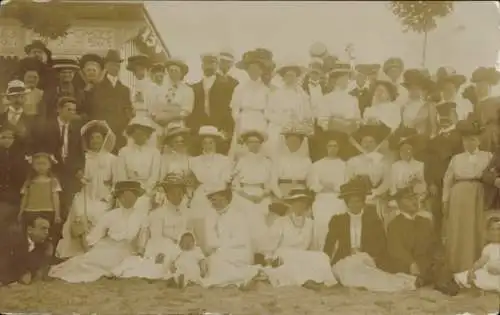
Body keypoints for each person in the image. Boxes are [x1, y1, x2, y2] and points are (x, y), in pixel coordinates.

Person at [324, 178, 416, 292]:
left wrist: (370, 256)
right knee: (349, 271)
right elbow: (329, 245)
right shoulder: (337, 220)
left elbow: (381, 244)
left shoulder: (373, 220)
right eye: (351, 202)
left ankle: (394, 284)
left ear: (363, 203)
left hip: (367, 259)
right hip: (344, 260)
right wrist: (325, 264)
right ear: (347, 203)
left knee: (370, 274)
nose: (354, 205)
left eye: (358, 201)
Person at [48, 181, 149, 283]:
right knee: (89, 262)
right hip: (108, 246)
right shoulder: (111, 215)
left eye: (133, 196)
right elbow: (96, 234)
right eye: (125, 196)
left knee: (115, 264)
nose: (129, 199)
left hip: (126, 249)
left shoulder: (141, 216)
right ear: (120, 197)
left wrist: (141, 249)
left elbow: (143, 235)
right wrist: (88, 241)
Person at [112, 173, 191, 280]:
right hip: (164, 248)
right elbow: (156, 238)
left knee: (189, 261)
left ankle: (179, 276)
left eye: (180, 193)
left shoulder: (187, 213)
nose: (178, 197)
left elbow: (189, 234)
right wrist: (161, 252)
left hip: (182, 248)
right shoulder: (158, 214)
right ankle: (129, 267)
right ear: (167, 194)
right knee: (157, 268)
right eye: (173, 193)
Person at [56, 120, 116, 258]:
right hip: (87, 193)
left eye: (98, 138)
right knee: (81, 210)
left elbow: (115, 181)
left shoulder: (112, 159)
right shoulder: (85, 158)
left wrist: (109, 195)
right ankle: (84, 247)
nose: (95, 141)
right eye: (92, 138)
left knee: (100, 212)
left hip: (104, 195)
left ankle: (98, 248)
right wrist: (81, 178)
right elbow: (77, 175)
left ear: (104, 140)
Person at [386, 187, 459, 295]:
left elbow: (435, 243)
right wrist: (410, 263)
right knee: (402, 273)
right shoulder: (394, 224)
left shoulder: (425, 222)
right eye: (409, 199)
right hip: (408, 264)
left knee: (441, 266)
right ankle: (423, 280)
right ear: (399, 203)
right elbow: (396, 249)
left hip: (425, 262)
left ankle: (438, 280)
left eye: (415, 198)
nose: (414, 201)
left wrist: (439, 256)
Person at [262, 188, 337, 290]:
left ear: (306, 205)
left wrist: (313, 256)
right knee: (295, 258)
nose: (300, 206)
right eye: (296, 203)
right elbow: (270, 245)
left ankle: (321, 281)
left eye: (303, 203)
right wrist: (269, 262)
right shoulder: (281, 222)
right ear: (291, 204)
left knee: (322, 256)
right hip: (283, 254)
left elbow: (314, 246)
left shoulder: (311, 223)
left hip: (302, 254)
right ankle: (306, 282)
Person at [442, 120, 492, 273]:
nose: (469, 143)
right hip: (459, 195)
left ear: (479, 141)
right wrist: (445, 200)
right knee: (459, 228)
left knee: (477, 228)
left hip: (479, 193)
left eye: (472, 140)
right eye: (465, 140)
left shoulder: (488, 156)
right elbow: (447, 181)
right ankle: (458, 266)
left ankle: (476, 267)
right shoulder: (456, 158)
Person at [34, 96, 85, 224]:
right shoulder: (47, 127)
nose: (72, 113)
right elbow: (41, 147)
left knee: (68, 204)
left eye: (74, 110)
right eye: (69, 109)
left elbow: (79, 151)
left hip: (70, 171)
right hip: (52, 170)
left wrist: (79, 168)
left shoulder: (76, 127)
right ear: (59, 110)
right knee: (52, 204)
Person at [201, 183, 260, 288]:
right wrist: (218, 248)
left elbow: (241, 241)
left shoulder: (238, 216)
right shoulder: (210, 217)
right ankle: (243, 279)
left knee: (218, 262)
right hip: (220, 253)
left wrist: (220, 248)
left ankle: (243, 277)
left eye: (214, 199)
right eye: (210, 200)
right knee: (215, 263)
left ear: (224, 198)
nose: (211, 203)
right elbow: (210, 243)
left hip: (238, 253)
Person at [232, 129, 273, 251]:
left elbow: (270, 182)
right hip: (243, 195)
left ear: (261, 144)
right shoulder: (241, 161)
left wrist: (263, 195)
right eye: (251, 142)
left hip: (261, 196)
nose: (254, 145)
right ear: (246, 144)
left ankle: (261, 253)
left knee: (261, 226)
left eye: (257, 142)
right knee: (245, 225)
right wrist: (246, 195)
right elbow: (235, 182)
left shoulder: (267, 162)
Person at [187, 53, 236, 154]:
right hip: (200, 131)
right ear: (202, 66)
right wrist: (194, 129)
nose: (209, 66)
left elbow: (231, 108)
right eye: (206, 63)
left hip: (221, 130)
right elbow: (192, 111)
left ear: (217, 65)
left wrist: (227, 130)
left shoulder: (229, 85)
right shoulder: (194, 88)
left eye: (212, 63)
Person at [86, 50, 133, 153]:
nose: (116, 68)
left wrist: (125, 127)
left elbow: (128, 110)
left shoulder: (125, 89)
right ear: (106, 66)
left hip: (120, 132)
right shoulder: (97, 87)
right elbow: (94, 109)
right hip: (103, 131)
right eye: (113, 65)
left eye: (118, 65)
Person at [307, 132, 347, 250]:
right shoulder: (317, 165)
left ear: (339, 148)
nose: (332, 148)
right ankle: (320, 251)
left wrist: (334, 187)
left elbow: (347, 183)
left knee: (336, 226)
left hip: (338, 199)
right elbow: (311, 184)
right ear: (326, 147)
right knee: (321, 225)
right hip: (321, 199)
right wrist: (322, 187)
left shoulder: (344, 165)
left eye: (335, 146)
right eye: (330, 146)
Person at [266, 59, 313, 158]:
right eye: (287, 75)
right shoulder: (276, 94)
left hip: (297, 129)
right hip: (279, 128)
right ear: (283, 77)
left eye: (292, 75)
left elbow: (307, 114)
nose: (290, 78)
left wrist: (299, 122)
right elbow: (268, 113)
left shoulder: (302, 95)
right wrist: (283, 121)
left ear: (297, 77)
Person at [17, 149, 62, 248]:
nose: (41, 167)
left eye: (44, 164)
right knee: (32, 234)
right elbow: (25, 197)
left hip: (48, 211)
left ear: (49, 165)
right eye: (38, 164)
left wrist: (57, 214)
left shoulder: (53, 181)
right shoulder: (29, 181)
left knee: (46, 234)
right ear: (33, 165)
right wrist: (21, 212)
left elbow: (55, 197)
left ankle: (45, 252)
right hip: (31, 211)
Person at [229, 51, 270, 159]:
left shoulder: (266, 90)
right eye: (250, 69)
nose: (253, 71)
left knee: (260, 149)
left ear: (261, 71)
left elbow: (269, 110)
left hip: (260, 121)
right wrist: (238, 126)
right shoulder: (240, 88)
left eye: (256, 69)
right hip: (243, 121)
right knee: (242, 150)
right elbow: (235, 109)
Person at [346, 125, 391, 223]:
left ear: (376, 144)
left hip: (377, 200)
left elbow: (388, 181)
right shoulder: (353, 161)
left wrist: (377, 192)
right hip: (359, 200)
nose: (368, 144)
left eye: (371, 142)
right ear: (360, 143)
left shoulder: (383, 161)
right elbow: (349, 179)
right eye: (365, 141)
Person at [114, 116, 161, 211]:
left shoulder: (154, 152)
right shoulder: (124, 151)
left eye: (144, 132)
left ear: (148, 134)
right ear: (131, 133)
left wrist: (145, 190)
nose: (140, 135)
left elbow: (154, 176)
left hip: (147, 191)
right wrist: (128, 190)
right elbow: (121, 174)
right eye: (137, 131)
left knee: (143, 203)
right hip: (127, 189)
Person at [316, 62, 361, 160]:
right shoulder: (326, 99)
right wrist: (340, 125)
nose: (346, 80)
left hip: (350, 140)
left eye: (347, 78)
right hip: (333, 139)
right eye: (343, 77)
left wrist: (351, 127)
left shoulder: (353, 99)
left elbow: (357, 121)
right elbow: (323, 122)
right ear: (336, 79)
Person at [188, 125, 233, 221]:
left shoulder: (224, 160)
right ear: (201, 144)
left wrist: (214, 194)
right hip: (200, 196)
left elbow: (224, 181)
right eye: (205, 143)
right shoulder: (193, 161)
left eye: (211, 143)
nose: (208, 146)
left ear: (216, 143)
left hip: (218, 196)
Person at [150, 58, 194, 147]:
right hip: (159, 126)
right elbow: (153, 108)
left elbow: (186, 111)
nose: (173, 73)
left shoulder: (187, 90)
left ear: (181, 73)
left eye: (176, 71)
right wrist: (157, 118)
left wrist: (169, 118)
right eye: (171, 70)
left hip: (177, 126)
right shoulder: (159, 89)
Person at [0, 216, 53, 286]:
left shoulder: (44, 246)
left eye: (48, 229)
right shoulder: (13, 243)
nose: (46, 232)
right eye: (43, 228)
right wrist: (22, 274)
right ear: (30, 230)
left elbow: (39, 267)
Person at [455, 215, 500, 292]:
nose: (496, 232)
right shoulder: (489, 248)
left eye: (498, 229)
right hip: (489, 273)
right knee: (474, 274)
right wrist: (472, 271)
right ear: (489, 232)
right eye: (493, 229)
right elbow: (480, 262)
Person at [388, 127, 427, 215]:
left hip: (415, 196)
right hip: (400, 196)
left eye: (408, 150)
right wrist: (397, 196)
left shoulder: (420, 165)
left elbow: (422, 183)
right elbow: (393, 185)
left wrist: (418, 192)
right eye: (403, 151)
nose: (406, 153)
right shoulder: (395, 166)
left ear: (412, 152)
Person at [271, 124, 312, 199]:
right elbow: (273, 182)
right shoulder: (279, 160)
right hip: (283, 191)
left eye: (296, 141)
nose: (293, 144)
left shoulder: (306, 161)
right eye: (291, 141)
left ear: (301, 143)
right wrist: (280, 195)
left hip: (301, 193)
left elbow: (310, 181)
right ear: (286, 142)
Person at [0, 124, 28, 228]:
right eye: (3, 137)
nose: (7, 140)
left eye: (10, 137)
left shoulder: (18, 155)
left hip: (13, 194)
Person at [469, 67, 500, 152]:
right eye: (478, 85)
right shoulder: (477, 104)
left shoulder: (496, 101)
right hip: (479, 136)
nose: (479, 88)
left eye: (482, 85)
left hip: (493, 137)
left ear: (489, 85)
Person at [400, 69, 437, 137]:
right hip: (405, 138)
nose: (413, 91)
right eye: (410, 88)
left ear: (423, 89)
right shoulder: (404, 106)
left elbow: (433, 127)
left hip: (422, 139)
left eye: (416, 88)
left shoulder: (428, 106)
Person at [0, 80, 36, 150]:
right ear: (8, 98)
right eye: (14, 96)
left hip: (22, 158)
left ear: (25, 99)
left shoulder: (32, 120)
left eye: (21, 96)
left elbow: (34, 143)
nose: (18, 100)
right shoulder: (0, 118)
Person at [127, 54, 155, 118]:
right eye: (133, 71)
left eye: (135, 70)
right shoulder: (132, 87)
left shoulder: (153, 87)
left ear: (144, 69)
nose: (134, 74)